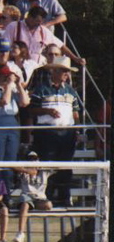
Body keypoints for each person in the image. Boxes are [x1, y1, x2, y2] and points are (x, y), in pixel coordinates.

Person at [29, 56, 82, 206]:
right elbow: (32, 109)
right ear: (55, 71)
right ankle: (47, 196)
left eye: (67, 71)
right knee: (47, 165)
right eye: (64, 71)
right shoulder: (41, 89)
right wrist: (47, 111)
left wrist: (77, 130)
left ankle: (65, 198)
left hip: (67, 133)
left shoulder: (71, 91)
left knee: (66, 165)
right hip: (47, 133)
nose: (66, 74)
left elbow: (75, 113)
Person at [0, 64, 29, 187]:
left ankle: (6, 190)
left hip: (11, 123)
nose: (6, 78)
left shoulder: (11, 90)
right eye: (4, 76)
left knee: (10, 159)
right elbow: (4, 102)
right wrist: (9, 85)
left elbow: (24, 102)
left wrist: (18, 84)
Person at [11, 151, 53, 242]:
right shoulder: (23, 172)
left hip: (39, 198)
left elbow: (57, 167)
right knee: (25, 205)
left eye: (35, 159)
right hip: (27, 196)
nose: (33, 161)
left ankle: (32, 206)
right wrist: (27, 170)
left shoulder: (44, 171)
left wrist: (37, 168)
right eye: (30, 159)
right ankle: (20, 232)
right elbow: (12, 166)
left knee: (48, 205)